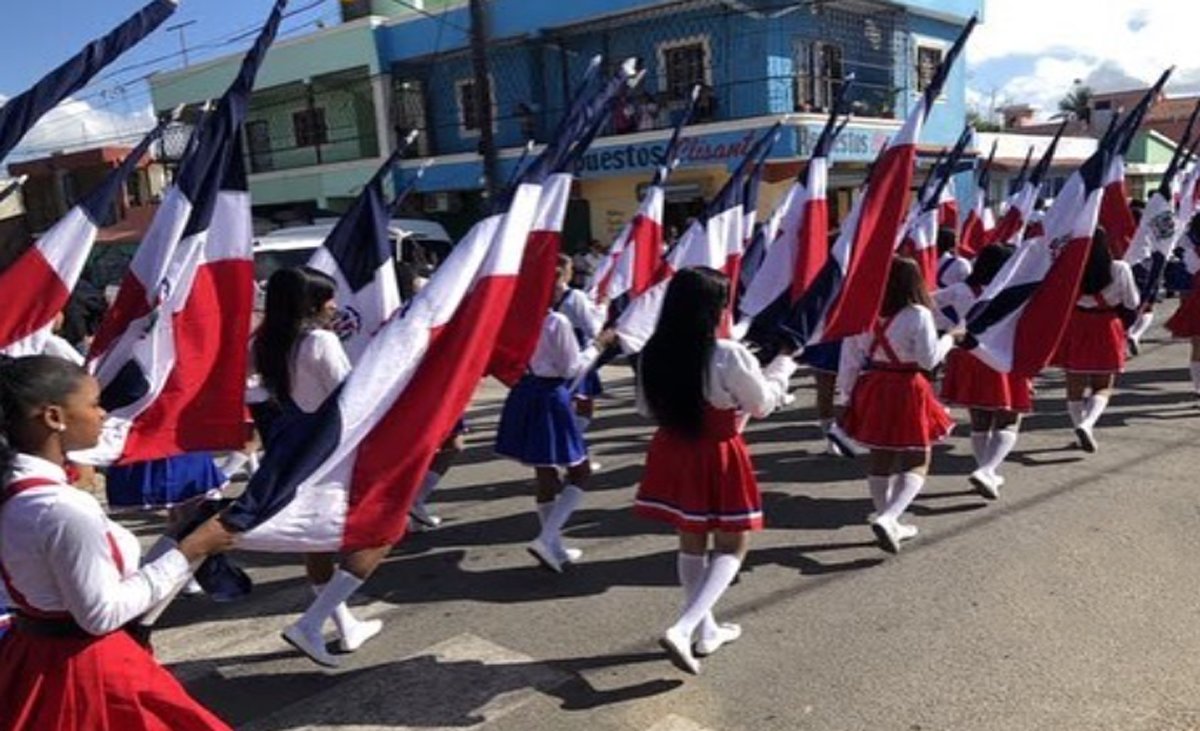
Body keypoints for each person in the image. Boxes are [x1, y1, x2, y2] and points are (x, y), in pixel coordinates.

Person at [0, 355, 235, 730]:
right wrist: (192, 549)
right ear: (53, 418)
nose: (104, 413)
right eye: (93, 404)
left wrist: (180, 540)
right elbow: (100, 615)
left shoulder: (18, 491)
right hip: (85, 671)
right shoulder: (61, 508)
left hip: (31, 657)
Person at [635, 267, 796, 675]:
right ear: (714, 308)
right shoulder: (727, 353)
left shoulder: (653, 351)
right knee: (732, 544)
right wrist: (782, 368)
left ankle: (706, 630)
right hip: (717, 451)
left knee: (691, 539)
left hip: (673, 447)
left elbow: (644, 409)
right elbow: (761, 405)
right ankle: (685, 625)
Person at [252, 267, 382, 666]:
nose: (334, 306)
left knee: (315, 536)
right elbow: (349, 397)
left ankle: (344, 625)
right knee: (381, 529)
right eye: (327, 298)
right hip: (329, 443)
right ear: (308, 304)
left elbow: (254, 389)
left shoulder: (264, 341)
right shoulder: (321, 341)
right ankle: (314, 622)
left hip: (290, 439)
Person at [495, 255, 617, 573]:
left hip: (524, 392)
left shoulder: (511, 318)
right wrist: (599, 345)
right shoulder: (555, 321)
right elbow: (571, 368)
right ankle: (547, 536)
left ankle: (554, 544)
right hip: (550, 395)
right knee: (580, 471)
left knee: (545, 469)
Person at [837, 257, 956, 554]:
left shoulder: (864, 312)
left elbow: (849, 359)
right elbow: (929, 360)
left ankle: (888, 516)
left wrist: (846, 397)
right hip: (908, 387)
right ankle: (890, 517)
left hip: (873, 385)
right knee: (917, 456)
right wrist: (950, 340)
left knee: (881, 454)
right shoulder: (918, 314)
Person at [935, 245, 1027, 498]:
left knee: (980, 419)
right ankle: (988, 469)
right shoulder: (1015, 293)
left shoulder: (961, 289)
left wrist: (949, 326)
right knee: (1009, 417)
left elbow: (930, 302)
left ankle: (985, 468)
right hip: (1001, 356)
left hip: (967, 355)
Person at [1054, 228, 1139, 453]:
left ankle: (1079, 427)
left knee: (1074, 386)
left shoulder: (1070, 267)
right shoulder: (1120, 268)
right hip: (1106, 325)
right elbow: (1132, 302)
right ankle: (1087, 423)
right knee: (1102, 386)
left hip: (1076, 325)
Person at [1165, 214, 1200, 400]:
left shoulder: (1189, 248)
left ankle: (1198, 387)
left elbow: (1189, 269)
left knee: (1197, 346)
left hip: (1197, 297)